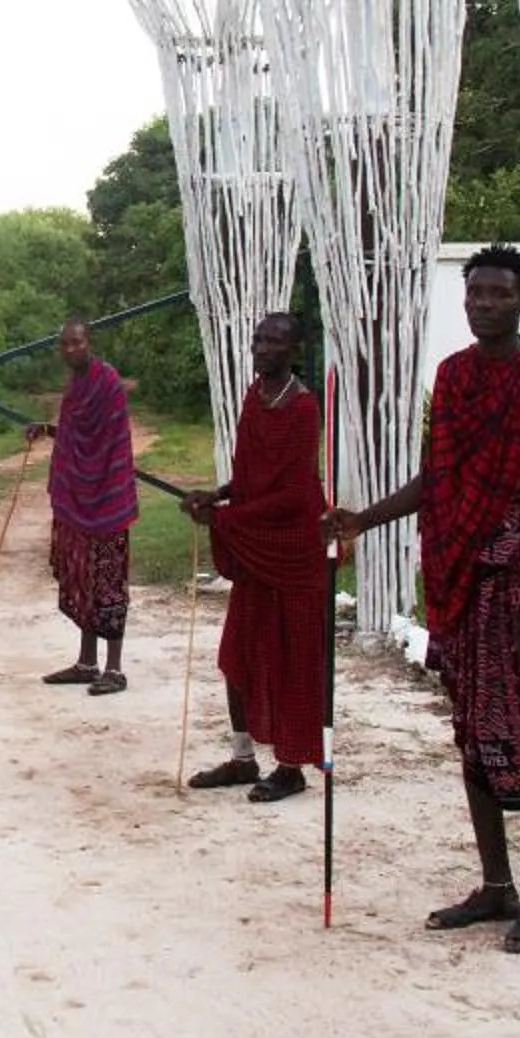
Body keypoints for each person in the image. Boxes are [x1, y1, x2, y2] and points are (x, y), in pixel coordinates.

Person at [326, 245, 520, 956]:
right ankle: (494, 884)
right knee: (475, 735)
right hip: (465, 583)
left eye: (500, 293)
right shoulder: (454, 378)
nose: (485, 303)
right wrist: (361, 518)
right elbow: (435, 480)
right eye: (476, 293)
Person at [179, 313, 329, 804]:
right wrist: (217, 496)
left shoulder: (304, 409)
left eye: (274, 342)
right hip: (254, 545)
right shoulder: (253, 395)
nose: (262, 348)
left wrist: (225, 520)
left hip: (293, 548)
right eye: (258, 339)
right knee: (237, 653)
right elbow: (248, 477)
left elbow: (293, 493)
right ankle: (243, 758)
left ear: (293, 350)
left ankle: (291, 767)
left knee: (293, 657)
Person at [29, 317, 139, 694]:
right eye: (65, 345)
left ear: (88, 341)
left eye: (77, 342)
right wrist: (47, 431)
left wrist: (96, 481)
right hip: (77, 502)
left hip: (108, 501)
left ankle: (115, 669)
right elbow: (78, 434)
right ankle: (87, 662)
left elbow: (110, 439)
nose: (72, 349)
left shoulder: (107, 382)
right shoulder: (74, 386)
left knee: (108, 582)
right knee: (81, 578)